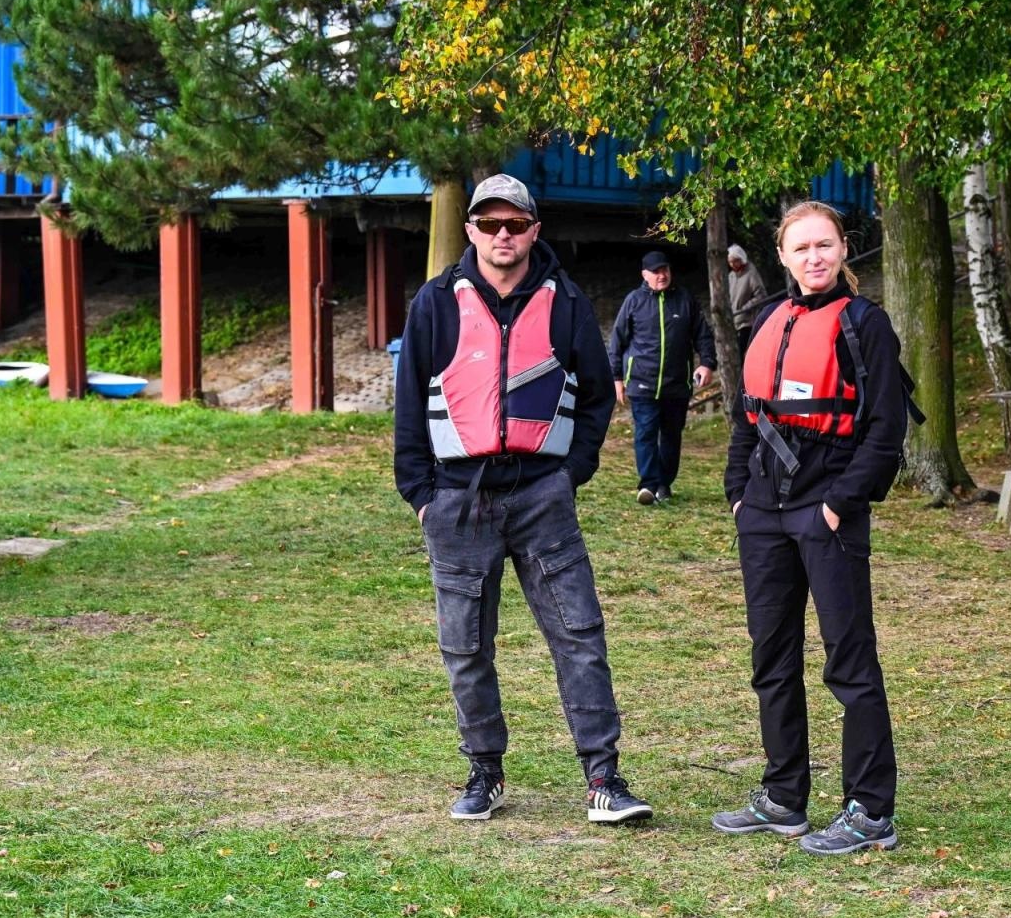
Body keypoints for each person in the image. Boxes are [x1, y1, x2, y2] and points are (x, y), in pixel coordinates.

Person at [393, 173, 653, 826]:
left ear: (535, 230)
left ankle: (604, 779)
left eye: (515, 225)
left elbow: (596, 395)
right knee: (465, 647)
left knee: (579, 635)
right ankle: (485, 772)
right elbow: (407, 411)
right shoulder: (435, 303)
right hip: (458, 499)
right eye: (489, 225)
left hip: (543, 496)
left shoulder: (564, 302)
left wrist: (573, 472)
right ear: (471, 231)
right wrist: (423, 495)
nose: (502, 236)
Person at [712, 200, 922, 856]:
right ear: (782, 255)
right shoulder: (768, 319)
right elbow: (749, 418)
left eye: (825, 245)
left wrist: (839, 502)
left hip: (827, 507)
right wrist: (738, 496)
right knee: (771, 659)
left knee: (848, 660)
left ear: (842, 249)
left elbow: (886, 432)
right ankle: (783, 796)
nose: (814, 257)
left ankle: (870, 810)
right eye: (801, 248)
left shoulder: (866, 326)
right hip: (765, 512)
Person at [607, 251, 717, 505]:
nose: (662, 275)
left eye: (665, 269)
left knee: (671, 435)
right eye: (656, 271)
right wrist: (617, 378)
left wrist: (707, 364)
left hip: (677, 384)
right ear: (644, 275)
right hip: (642, 383)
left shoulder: (685, 300)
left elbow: (703, 335)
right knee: (645, 432)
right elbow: (617, 341)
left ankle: (664, 483)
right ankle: (647, 484)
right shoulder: (633, 301)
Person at [727, 243, 769, 356]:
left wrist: (746, 308)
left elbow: (761, 295)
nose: (732, 264)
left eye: (735, 260)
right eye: (730, 261)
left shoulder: (751, 273)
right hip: (734, 321)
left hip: (747, 322)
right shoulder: (731, 276)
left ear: (741, 259)